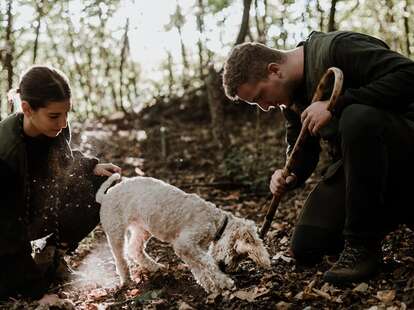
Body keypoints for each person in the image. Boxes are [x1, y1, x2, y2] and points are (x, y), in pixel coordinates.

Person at [222, 30, 414, 284]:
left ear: (274, 70)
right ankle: (395, 208)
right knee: (308, 245)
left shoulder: (339, 49)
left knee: (357, 117)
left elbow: (408, 75)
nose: (265, 107)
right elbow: (302, 148)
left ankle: (362, 246)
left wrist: (338, 105)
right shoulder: (290, 97)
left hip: (405, 147)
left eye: (259, 97)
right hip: (365, 172)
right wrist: (289, 174)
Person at [0, 65, 121, 299]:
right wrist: (35, 289)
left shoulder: (55, 127)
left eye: (67, 113)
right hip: (6, 230)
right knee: (14, 291)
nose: (64, 123)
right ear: (27, 108)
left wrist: (89, 166)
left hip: (29, 212)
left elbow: (64, 160)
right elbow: (7, 229)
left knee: (105, 186)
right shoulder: (6, 153)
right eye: (55, 116)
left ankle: (50, 257)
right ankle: (32, 272)